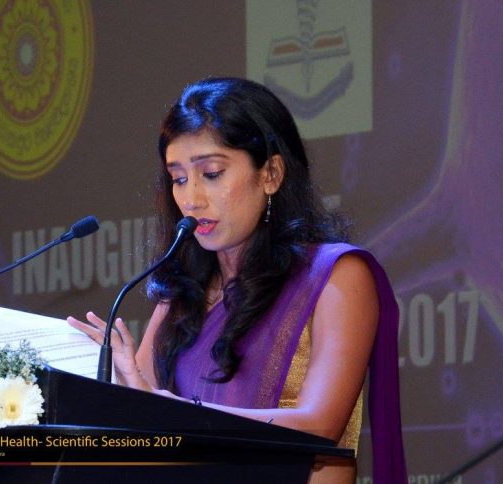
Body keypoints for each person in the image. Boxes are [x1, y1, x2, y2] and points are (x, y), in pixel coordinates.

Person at [67, 77, 407, 483]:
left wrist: (172, 412)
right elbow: (140, 421)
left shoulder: (336, 275)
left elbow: (319, 427)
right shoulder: (182, 294)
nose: (191, 199)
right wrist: (115, 387)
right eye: (179, 179)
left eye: (211, 173)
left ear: (271, 174)